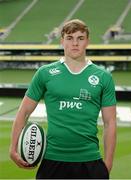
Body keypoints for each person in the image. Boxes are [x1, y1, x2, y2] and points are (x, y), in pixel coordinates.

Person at [10, 19, 117, 179]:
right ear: (62, 41)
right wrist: (13, 148)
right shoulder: (44, 73)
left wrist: (107, 165)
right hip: (52, 160)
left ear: (87, 41)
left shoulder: (103, 77)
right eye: (70, 38)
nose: (75, 43)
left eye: (80, 38)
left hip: (90, 161)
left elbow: (110, 123)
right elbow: (23, 111)